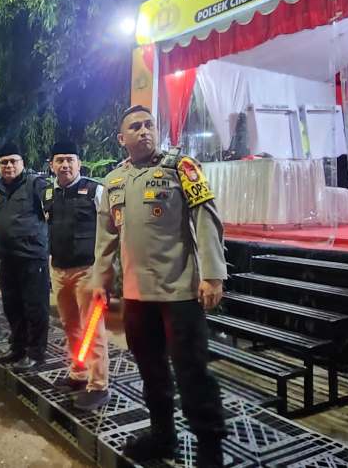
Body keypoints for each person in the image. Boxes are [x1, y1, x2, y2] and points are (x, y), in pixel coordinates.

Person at [93, 105, 227, 467]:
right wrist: (100, 278)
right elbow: (105, 236)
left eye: (149, 124)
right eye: (135, 127)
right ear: (122, 139)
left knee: (192, 373)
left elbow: (207, 219)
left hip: (180, 294)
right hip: (137, 297)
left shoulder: (181, 168)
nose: (144, 131)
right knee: (151, 372)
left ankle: (210, 447)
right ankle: (163, 436)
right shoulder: (114, 181)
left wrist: (213, 274)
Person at [44, 141, 110, 411]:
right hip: (59, 270)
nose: (65, 165)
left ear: (79, 163)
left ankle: (98, 385)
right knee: (70, 326)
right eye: (59, 160)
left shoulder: (96, 191)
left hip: (88, 271)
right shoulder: (48, 194)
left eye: (70, 159)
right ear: (51, 165)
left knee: (93, 329)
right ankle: (78, 374)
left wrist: (107, 273)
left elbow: (111, 231)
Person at [0, 142, 50, 373]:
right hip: (8, 257)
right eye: (3, 162)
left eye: (13, 161)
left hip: (32, 258)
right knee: (12, 306)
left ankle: (35, 353)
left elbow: (51, 211)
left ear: (22, 163)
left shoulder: (36, 184)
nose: (8, 166)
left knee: (35, 307)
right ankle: (17, 347)